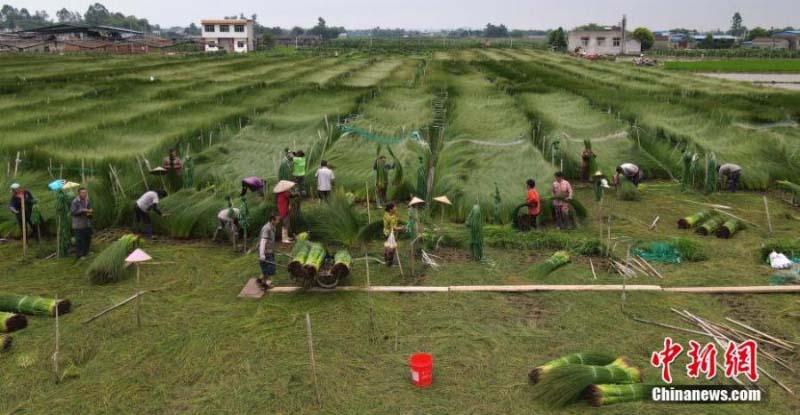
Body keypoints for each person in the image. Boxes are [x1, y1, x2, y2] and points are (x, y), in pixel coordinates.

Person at [257, 214, 281, 290]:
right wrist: (262, 254)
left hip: (269, 250)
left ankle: (260, 280)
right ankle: (264, 285)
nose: (278, 221)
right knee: (269, 268)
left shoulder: (272, 227)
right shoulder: (267, 228)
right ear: (272, 220)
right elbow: (263, 241)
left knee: (267, 268)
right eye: (277, 220)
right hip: (265, 252)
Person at [70, 187, 93, 260]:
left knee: (87, 239)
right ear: (79, 193)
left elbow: (89, 209)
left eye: (85, 192)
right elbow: (73, 212)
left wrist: (90, 212)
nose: (84, 194)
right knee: (80, 241)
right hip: (78, 225)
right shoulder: (75, 202)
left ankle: (86, 253)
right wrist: (82, 210)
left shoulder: (87, 200)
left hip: (86, 224)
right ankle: (79, 256)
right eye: (83, 193)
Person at [383, 203, 405, 267]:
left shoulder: (386, 214)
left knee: (387, 246)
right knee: (391, 248)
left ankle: (386, 259)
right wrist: (402, 228)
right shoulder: (392, 217)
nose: (396, 208)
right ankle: (390, 263)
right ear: (390, 209)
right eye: (394, 207)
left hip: (385, 232)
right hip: (391, 234)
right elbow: (394, 228)